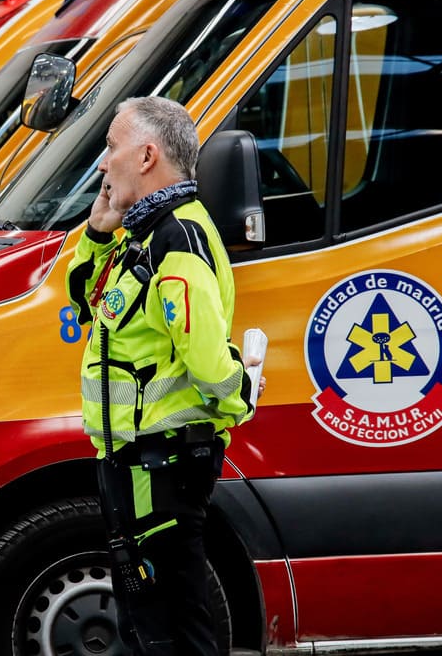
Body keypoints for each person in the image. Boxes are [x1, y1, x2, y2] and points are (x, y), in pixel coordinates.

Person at [65, 96, 260, 655]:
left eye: (110, 147)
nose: (103, 163)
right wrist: (98, 234)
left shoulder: (179, 238)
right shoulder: (142, 235)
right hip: (134, 459)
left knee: (163, 623)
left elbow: (204, 357)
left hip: (163, 462)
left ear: (147, 155)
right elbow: (89, 306)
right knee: (154, 617)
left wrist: (240, 394)